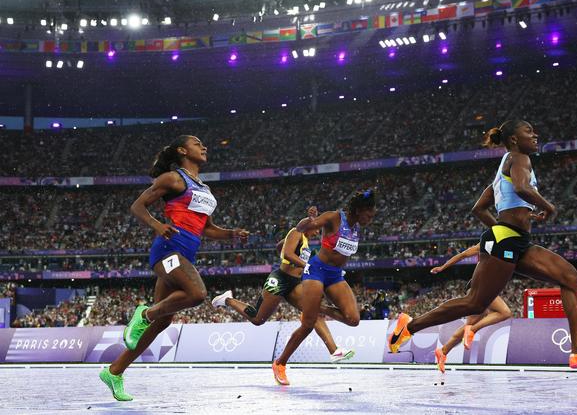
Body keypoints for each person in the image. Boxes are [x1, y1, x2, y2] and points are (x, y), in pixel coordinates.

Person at [388, 120, 577, 369]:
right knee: (475, 303)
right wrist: (547, 207)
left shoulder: (503, 169)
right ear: (515, 140)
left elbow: (479, 208)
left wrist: (500, 227)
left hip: (516, 240)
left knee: (571, 278)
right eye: (529, 131)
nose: (535, 135)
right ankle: (409, 326)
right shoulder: (519, 158)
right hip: (506, 239)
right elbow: (521, 187)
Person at [99, 135, 249, 401]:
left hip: (183, 255)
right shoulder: (173, 178)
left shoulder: (203, 188)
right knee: (197, 294)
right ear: (182, 150)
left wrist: (232, 234)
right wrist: (158, 225)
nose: (204, 146)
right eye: (197, 143)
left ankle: (115, 371)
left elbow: (209, 229)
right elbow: (138, 206)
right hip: (168, 250)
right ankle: (143, 314)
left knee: (163, 321)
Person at [211, 206, 355, 363]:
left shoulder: (307, 244)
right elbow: (287, 253)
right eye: (315, 228)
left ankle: (334, 351)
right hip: (281, 279)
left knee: (312, 314)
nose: (316, 232)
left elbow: (281, 248)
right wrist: (308, 221)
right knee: (257, 319)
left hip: (295, 284)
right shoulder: (296, 232)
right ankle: (227, 300)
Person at [272, 190, 377, 385]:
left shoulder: (356, 228)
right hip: (316, 271)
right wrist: (308, 219)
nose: (370, 220)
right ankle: (280, 363)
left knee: (353, 319)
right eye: (369, 215)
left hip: (335, 275)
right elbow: (302, 228)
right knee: (308, 324)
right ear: (359, 210)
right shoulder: (333, 217)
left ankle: (315, 307)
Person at [430, 244, 512, 373]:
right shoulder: (489, 242)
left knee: (470, 323)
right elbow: (463, 255)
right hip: (482, 284)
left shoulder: (513, 244)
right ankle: (472, 330)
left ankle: (443, 351)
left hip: (481, 285)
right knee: (505, 312)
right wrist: (442, 267)